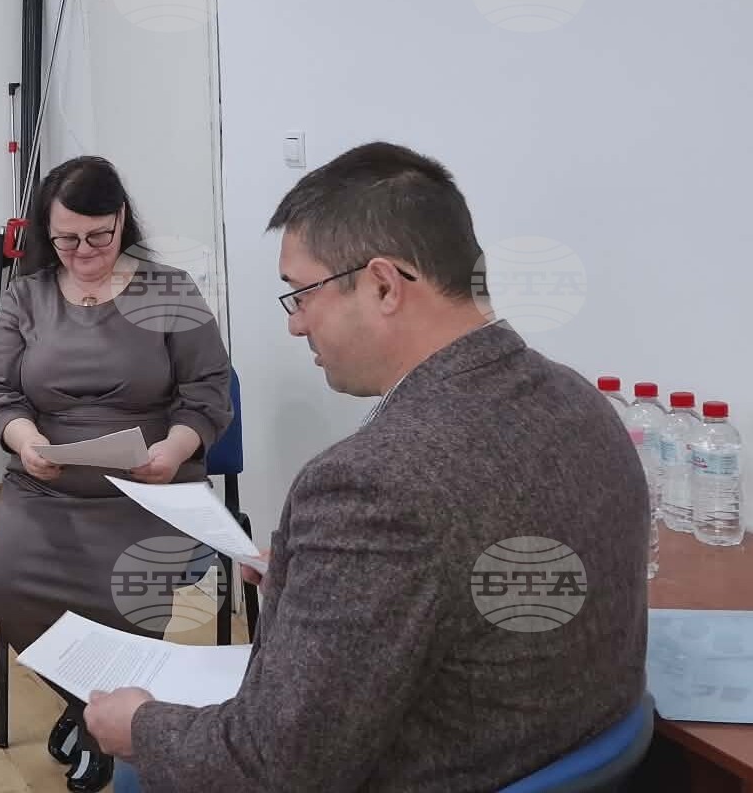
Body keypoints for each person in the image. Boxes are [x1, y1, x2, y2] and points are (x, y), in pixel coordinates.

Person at [88, 142, 648, 791]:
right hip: (558, 750)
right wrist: (319, 576)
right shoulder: (580, 401)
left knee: (137, 772)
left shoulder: (369, 484)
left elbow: (275, 767)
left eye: (301, 294)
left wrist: (140, 726)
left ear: (383, 285)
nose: (295, 325)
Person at [0, 155, 233, 791]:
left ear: (121, 220)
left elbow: (208, 391)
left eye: (99, 236)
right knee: (4, 585)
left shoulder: (168, 289)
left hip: (149, 489)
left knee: (130, 594)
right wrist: (27, 440)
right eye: (67, 240)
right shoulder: (27, 295)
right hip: (47, 485)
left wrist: (173, 449)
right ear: (47, 232)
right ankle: (93, 709)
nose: (83, 252)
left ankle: (107, 729)